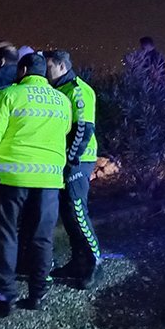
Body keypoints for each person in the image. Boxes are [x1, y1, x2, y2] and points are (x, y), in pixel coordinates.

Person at [0, 53, 72, 316]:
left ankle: (4, 296)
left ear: (24, 70)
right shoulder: (62, 101)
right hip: (50, 180)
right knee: (42, 237)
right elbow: (61, 135)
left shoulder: (9, 95)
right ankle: (38, 293)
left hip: (11, 179)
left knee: (7, 236)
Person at [43, 51, 102, 289]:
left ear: (60, 65)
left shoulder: (78, 90)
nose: (45, 71)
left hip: (78, 161)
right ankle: (78, 261)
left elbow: (83, 130)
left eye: (48, 66)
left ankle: (94, 264)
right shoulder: (59, 90)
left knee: (78, 211)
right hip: (66, 161)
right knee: (68, 214)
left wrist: (70, 160)